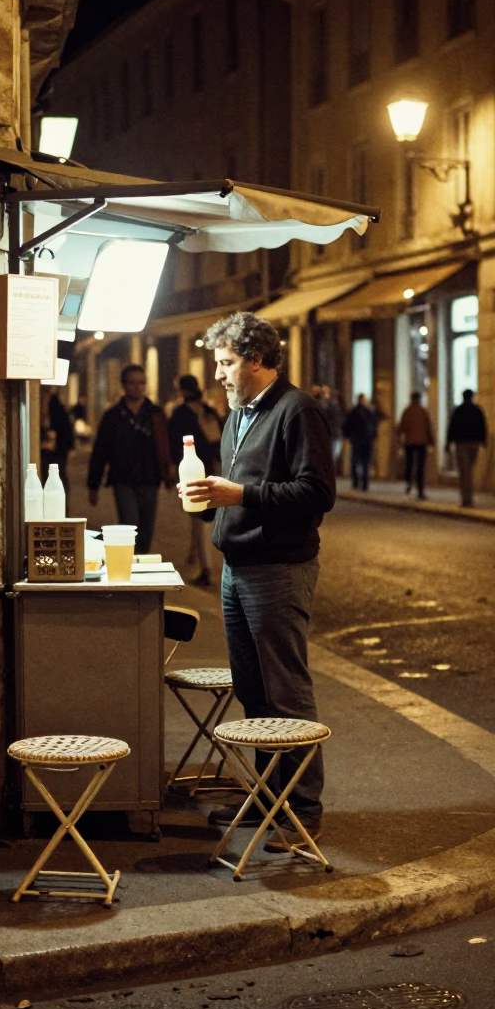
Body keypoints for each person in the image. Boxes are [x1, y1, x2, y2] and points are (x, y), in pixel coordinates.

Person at [180, 312, 335, 850]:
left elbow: (317, 493)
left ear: (257, 361)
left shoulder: (297, 411)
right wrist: (213, 507)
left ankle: (303, 808)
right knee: (253, 689)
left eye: (226, 364)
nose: (218, 375)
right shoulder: (238, 414)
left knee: (286, 689)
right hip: (238, 567)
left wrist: (240, 497)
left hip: (279, 570)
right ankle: (270, 797)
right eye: (217, 364)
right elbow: (237, 488)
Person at [87, 364, 174, 553]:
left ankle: (142, 566)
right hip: (123, 480)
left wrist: (169, 473)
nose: (137, 387)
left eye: (141, 382)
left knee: (146, 529)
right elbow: (100, 450)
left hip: (150, 479)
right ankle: (129, 566)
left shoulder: (155, 414)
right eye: (132, 383)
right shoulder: (113, 416)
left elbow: (166, 445)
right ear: (124, 385)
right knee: (129, 526)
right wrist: (93, 484)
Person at [168, 374, 223, 586]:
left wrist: (172, 468)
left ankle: (206, 568)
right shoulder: (208, 410)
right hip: (214, 467)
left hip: (191, 470)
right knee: (200, 516)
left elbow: (174, 442)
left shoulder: (181, 413)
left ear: (182, 390)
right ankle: (194, 556)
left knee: (197, 517)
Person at [446, 389, 488, 507]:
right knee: (469, 470)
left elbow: (452, 427)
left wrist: (448, 443)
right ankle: (468, 498)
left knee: (465, 471)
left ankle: (466, 498)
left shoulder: (458, 411)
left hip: (462, 443)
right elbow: (482, 425)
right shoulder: (477, 410)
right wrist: (483, 441)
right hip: (474, 443)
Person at [398, 391, 434, 499]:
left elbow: (401, 427)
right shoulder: (424, 411)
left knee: (409, 463)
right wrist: (432, 441)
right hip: (422, 442)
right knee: (420, 466)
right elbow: (429, 427)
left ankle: (409, 482)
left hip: (409, 442)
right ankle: (420, 490)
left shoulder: (407, 411)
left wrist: (399, 439)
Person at [40, 388, 74, 491]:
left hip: (57, 451)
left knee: (57, 475)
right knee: (57, 476)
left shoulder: (55, 411)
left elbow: (65, 431)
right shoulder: (57, 411)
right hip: (55, 451)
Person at [342, 394, 377, 490]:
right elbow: (374, 426)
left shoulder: (354, 412)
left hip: (357, 440)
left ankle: (357, 482)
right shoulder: (368, 412)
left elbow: (346, 426)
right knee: (364, 462)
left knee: (356, 461)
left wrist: (348, 435)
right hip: (365, 440)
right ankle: (364, 483)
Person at [318, 385, 346, 467]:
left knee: (334, 455)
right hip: (327, 434)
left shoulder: (336, 407)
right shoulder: (322, 404)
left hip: (335, 433)